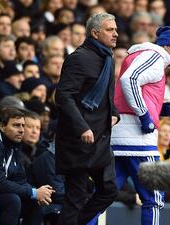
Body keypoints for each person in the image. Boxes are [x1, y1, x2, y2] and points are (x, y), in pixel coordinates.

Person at [111, 26, 170, 225]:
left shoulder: (142, 55)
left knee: (103, 195)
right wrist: (144, 115)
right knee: (154, 199)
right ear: (167, 46)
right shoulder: (156, 56)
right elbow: (131, 79)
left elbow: (139, 87)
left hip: (119, 136)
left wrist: (162, 105)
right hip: (138, 139)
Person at [55, 12, 120, 225]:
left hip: (100, 139)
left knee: (109, 190)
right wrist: (82, 127)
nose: (115, 34)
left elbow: (107, 96)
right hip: (78, 141)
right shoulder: (79, 58)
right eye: (110, 30)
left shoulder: (107, 57)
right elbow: (63, 96)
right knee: (76, 197)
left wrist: (114, 115)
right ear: (95, 32)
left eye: (115, 29)